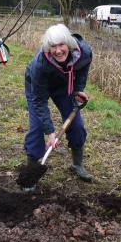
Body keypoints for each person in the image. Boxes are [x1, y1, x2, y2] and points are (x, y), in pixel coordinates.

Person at [23, 23, 93, 190]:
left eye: (61, 45)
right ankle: (31, 173)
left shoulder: (84, 53)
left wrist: (78, 90)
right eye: (53, 47)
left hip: (63, 86)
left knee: (76, 126)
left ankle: (77, 165)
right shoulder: (39, 64)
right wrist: (50, 132)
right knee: (37, 127)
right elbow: (39, 101)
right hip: (37, 86)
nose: (58, 50)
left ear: (68, 43)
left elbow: (82, 71)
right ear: (48, 48)